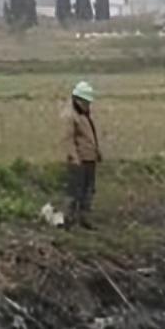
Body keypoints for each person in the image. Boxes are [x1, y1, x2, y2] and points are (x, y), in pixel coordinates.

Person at [63, 80, 101, 229]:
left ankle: (84, 219)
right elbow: (68, 139)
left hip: (89, 158)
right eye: (86, 101)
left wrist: (96, 152)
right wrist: (74, 157)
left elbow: (89, 137)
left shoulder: (84, 114)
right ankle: (69, 220)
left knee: (88, 189)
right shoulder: (70, 116)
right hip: (79, 160)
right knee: (75, 190)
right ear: (78, 99)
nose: (88, 104)